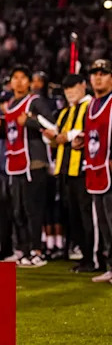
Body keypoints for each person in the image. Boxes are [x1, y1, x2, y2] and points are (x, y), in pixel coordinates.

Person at [0, 65, 56, 268]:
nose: (18, 82)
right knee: (17, 211)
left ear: (29, 81)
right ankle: (24, 251)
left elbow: (52, 126)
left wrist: (31, 121)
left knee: (33, 210)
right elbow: (11, 132)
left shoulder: (35, 102)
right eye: (14, 78)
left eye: (22, 78)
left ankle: (38, 251)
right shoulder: (10, 105)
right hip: (15, 165)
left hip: (33, 162)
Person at [48, 74, 99, 273]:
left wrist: (68, 136)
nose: (70, 92)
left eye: (73, 87)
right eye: (66, 88)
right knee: (74, 215)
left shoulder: (91, 106)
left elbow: (89, 131)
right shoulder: (64, 113)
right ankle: (85, 256)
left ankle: (95, 257)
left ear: (83, 86)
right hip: (65, 169)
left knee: (88, 215)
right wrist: (53, 137)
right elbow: (55, 139)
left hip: (84, 169)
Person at [77, 59, 112, 284]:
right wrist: (80, 139)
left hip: (109, 169)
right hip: (95, 170)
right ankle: (110, 266)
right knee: (104, 223)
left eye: (103, 73)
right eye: (94, 73)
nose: (98, 77)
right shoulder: (91, 105)